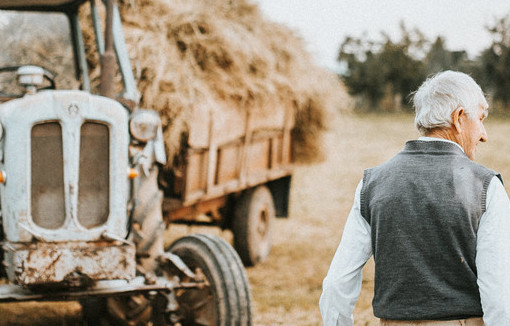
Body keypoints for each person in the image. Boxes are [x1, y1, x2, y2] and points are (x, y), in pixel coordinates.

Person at [319, 70, 510, 326]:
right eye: (481, 119)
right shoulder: (486, 186)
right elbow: (499, 292)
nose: (484, 134)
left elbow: (337, 283)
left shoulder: (371, 183)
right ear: (459, 118)